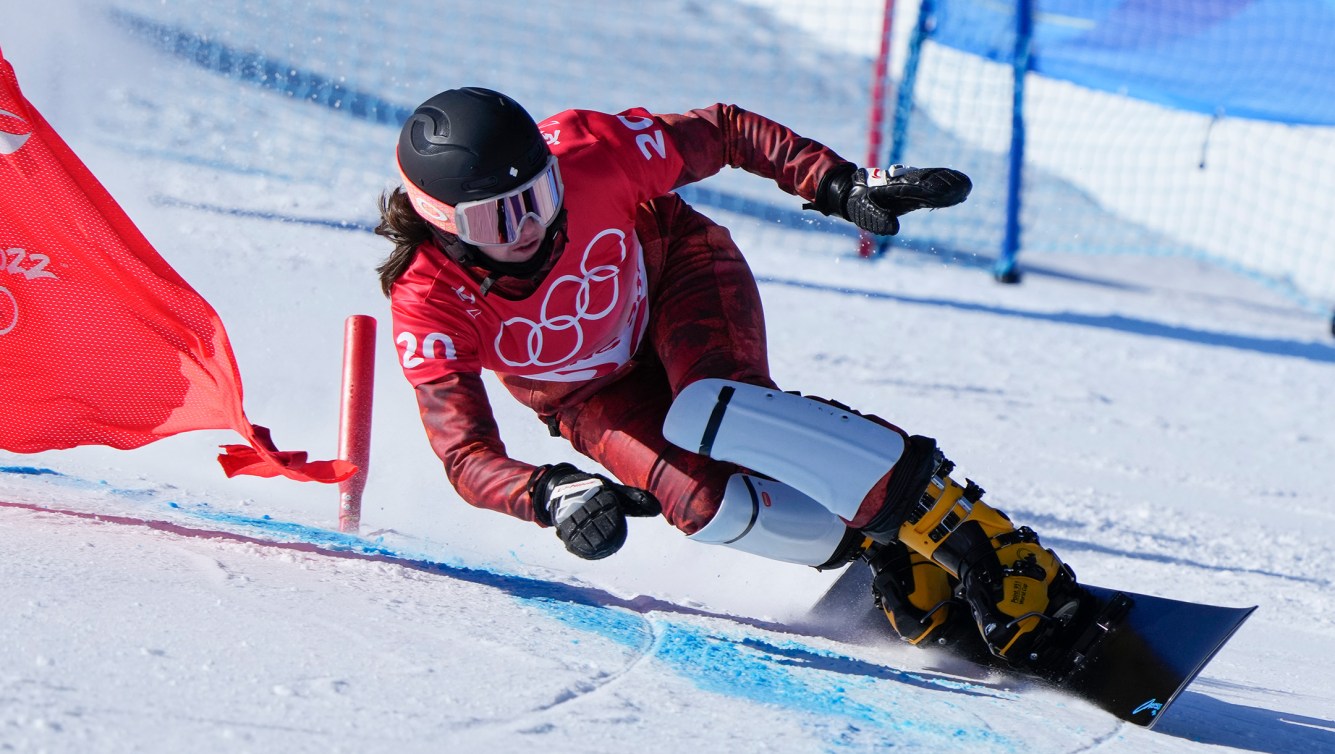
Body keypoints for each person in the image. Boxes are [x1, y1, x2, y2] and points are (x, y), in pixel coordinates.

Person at [376, 87, 1086, 670]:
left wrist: (834, 181)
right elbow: (464, 456)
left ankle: (970, 532)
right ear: (443, 223)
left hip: (676, 273)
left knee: (719, 410)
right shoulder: (427, 299)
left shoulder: (589, 152)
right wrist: (549, 492)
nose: (531, 225)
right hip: (588, 394)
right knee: (704, 505)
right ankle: (881, 548)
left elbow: (722, 131)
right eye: (500, 217)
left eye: (539, 194)